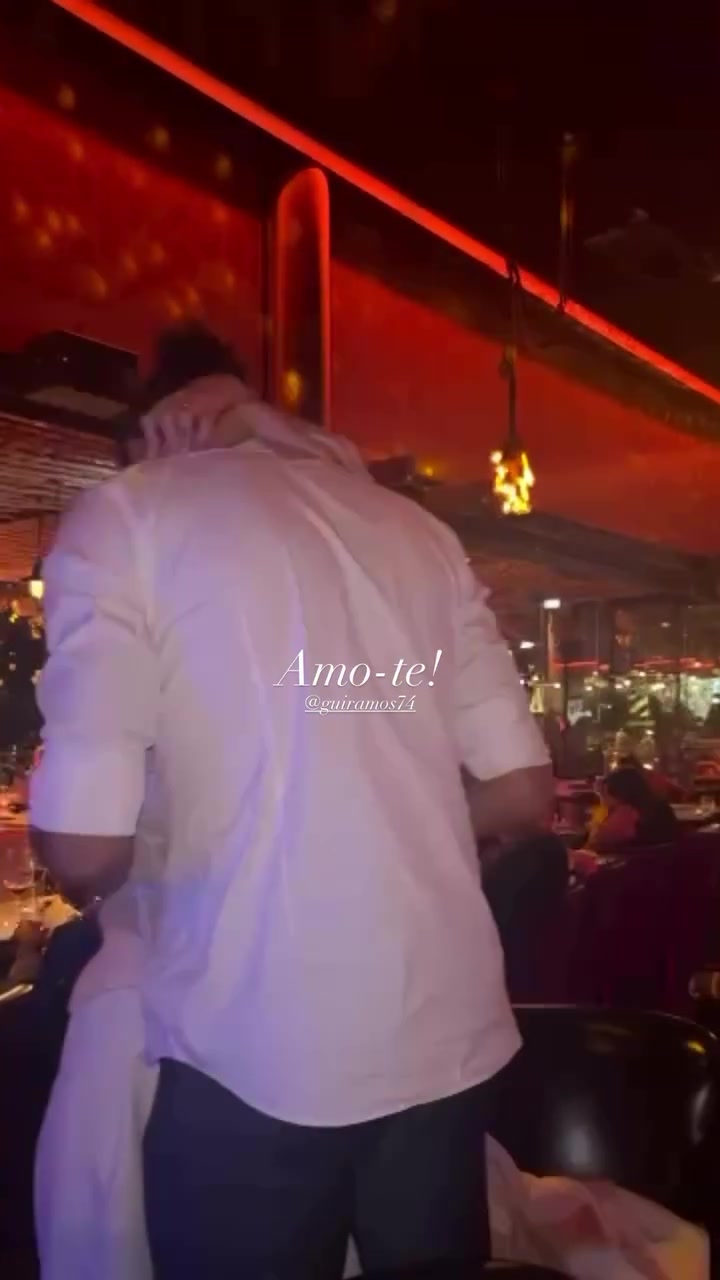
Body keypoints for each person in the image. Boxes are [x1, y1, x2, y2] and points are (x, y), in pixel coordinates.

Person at [31, 324, 550, 1279]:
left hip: (257, 1039)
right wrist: (387, 823)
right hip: (446, 1026)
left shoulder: (127, 516)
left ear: (151, 426)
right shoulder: (416, 532)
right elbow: (521, 793)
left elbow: (83, 849)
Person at [587, 767, 680, 854]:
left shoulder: (627, 812)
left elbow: (597, 840)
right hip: (668, 861)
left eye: (607, 793)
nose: (605, 800)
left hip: (641, 863)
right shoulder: (660, 806)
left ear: (619, 794)